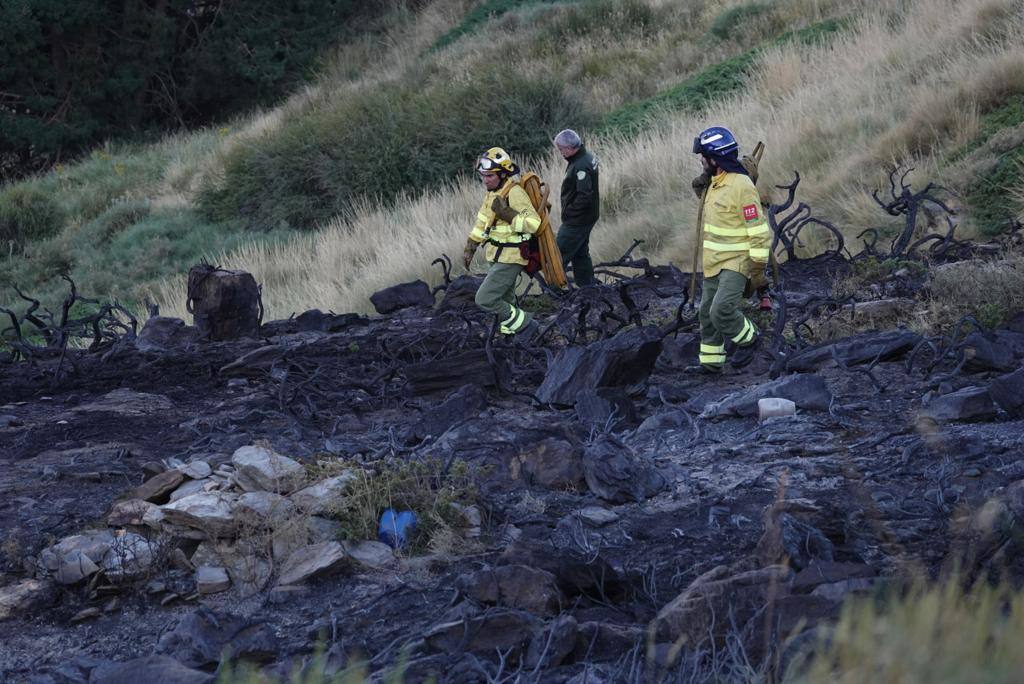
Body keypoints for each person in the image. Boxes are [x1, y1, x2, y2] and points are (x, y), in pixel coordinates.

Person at [690, 126, 769, 372]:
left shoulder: (742, 186)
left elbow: (757, 230)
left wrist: (757, 269)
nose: (701, 160)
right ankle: (711, 364)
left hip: (736, 261)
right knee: (706, 314)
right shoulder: (714, 184)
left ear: (715, 158)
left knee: (721, 310)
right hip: (713, 262)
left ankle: (752, 340)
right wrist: (703, 180)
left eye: (704, 156)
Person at [463, 146, 541, 341]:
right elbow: (483, 221)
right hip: (496, 255)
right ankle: (512, 336)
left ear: (503, 173)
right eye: (483, 175)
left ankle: (527, 325)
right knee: (507, 299)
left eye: (489, 175)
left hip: (512, 257)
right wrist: (471, 246)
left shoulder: (514, 193)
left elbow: (533, 223)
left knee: (485, 299)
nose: (485, 180)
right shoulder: (491, 192)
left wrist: (508, 213)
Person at [553, 129, 600, 287]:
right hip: (587, 216)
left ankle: (553, 290)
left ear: (570, 148)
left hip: (578, 220)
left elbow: (584, 195)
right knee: (580, 253)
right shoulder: (586, 157)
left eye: (561, 149)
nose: (560, 153)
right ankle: (587, 287)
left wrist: (570, 213)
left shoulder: (580, 166)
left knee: (557, 254)